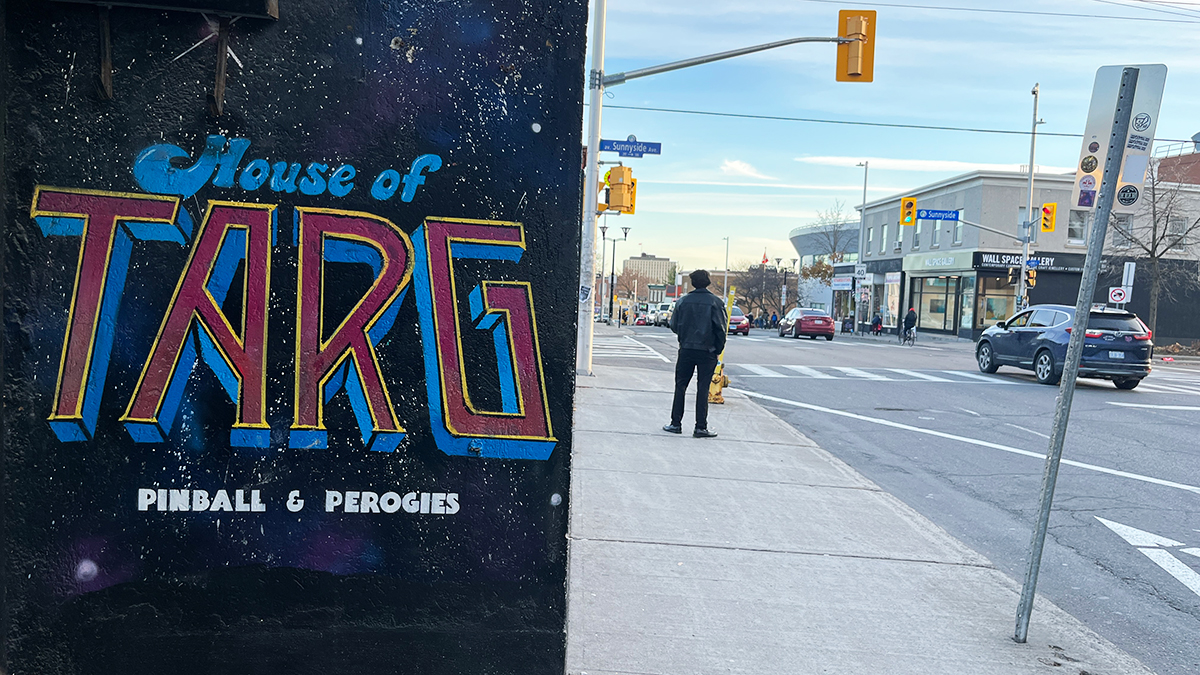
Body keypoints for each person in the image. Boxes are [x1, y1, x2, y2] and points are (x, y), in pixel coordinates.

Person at [664, 269, 726, 438]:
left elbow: (674, 325)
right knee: (703, 388)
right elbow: (721, 329)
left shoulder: (683, 302)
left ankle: (675, 423)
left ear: (692, 282)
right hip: (708, 351)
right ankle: (700, 427)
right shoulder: (716, 302)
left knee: (680, 386)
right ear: (708, 282)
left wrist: (684, 337)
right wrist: (717, 349)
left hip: (686, 349)